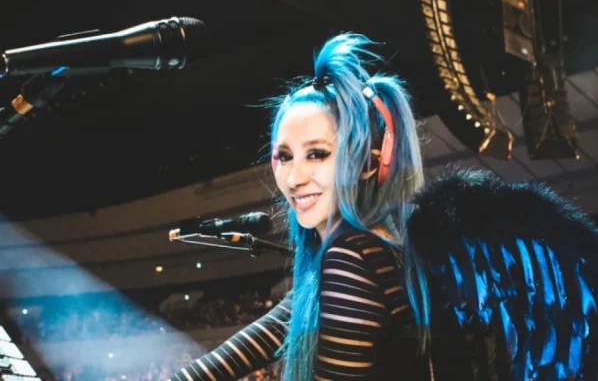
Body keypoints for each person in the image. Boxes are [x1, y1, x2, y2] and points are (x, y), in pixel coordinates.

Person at [169, 33, 598, 381]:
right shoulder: (376, 253)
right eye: (284, 155)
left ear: (367, 161)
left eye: (317, 154)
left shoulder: (351, 257)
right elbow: (223, 362)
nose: (294, 177)